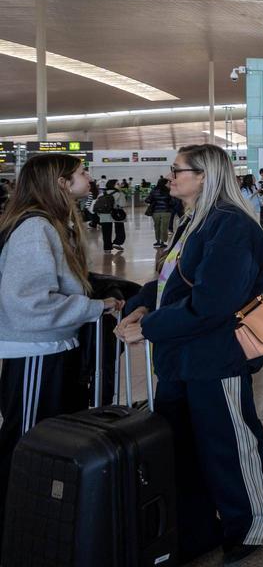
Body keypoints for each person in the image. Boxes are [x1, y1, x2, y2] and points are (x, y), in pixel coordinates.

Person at [116, 144, 263, 564]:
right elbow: (169, 280)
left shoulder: (230, 227)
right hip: (180, 358)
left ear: (205, 175)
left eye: (178, 170)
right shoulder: (193, 221)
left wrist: (148, 327)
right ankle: (203, 525)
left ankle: (255, 521)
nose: (170, 177)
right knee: (188, 444)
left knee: (229, 441)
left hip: (215, 357)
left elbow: (213, 303)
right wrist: (140, 303)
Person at [0, 154, 122, 550]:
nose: (89, 177)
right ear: (61, 183)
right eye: (81, 173)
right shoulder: (35, 228)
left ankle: (39, 522)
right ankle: (14, 525)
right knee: (28, 440)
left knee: (50, 439)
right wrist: (94, 308)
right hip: (36, 351)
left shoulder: (53, 224)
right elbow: (28, 304)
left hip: (53, 347)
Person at [91, 178, 126, 253]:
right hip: (116, 214)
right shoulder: (119, 193)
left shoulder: (102, 193)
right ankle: (117, 243)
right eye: (117, 184)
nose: (119, 185)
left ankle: (107, 248)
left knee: (106, 231)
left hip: (104, 214)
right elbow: (122, 204)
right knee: (120, 229)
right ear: (113, 185)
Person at [145, 177, 175, 248]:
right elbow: (173, 202)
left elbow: (147, 200)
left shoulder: (154, 190)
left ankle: (157, 241)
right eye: (168, 183)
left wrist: (154, 201)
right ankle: (162, 242)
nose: (169, 184)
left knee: (157, 226)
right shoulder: (168, 191)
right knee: (164, 227)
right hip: (166, 212)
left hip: (155, 212)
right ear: (164, 183)